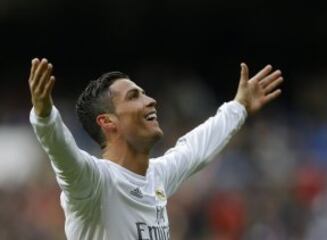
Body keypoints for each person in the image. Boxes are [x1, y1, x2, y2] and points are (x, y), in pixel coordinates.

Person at [28, 57, 283, 240]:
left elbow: (196, 147)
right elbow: (62, 153)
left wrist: (239, 106)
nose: (151, 101)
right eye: (134, 97)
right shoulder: (95, 183)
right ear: (108, 121)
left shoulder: (156, 176)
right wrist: (44, 115)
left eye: (144, 93)